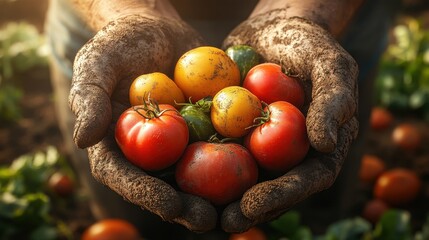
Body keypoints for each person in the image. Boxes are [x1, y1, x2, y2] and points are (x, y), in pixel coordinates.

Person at [44, 0, 403, 239]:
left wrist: (301, 13)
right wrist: (129, 12)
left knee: (314, 214)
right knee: (137, 223)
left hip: (327, 19)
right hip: (111, 14)